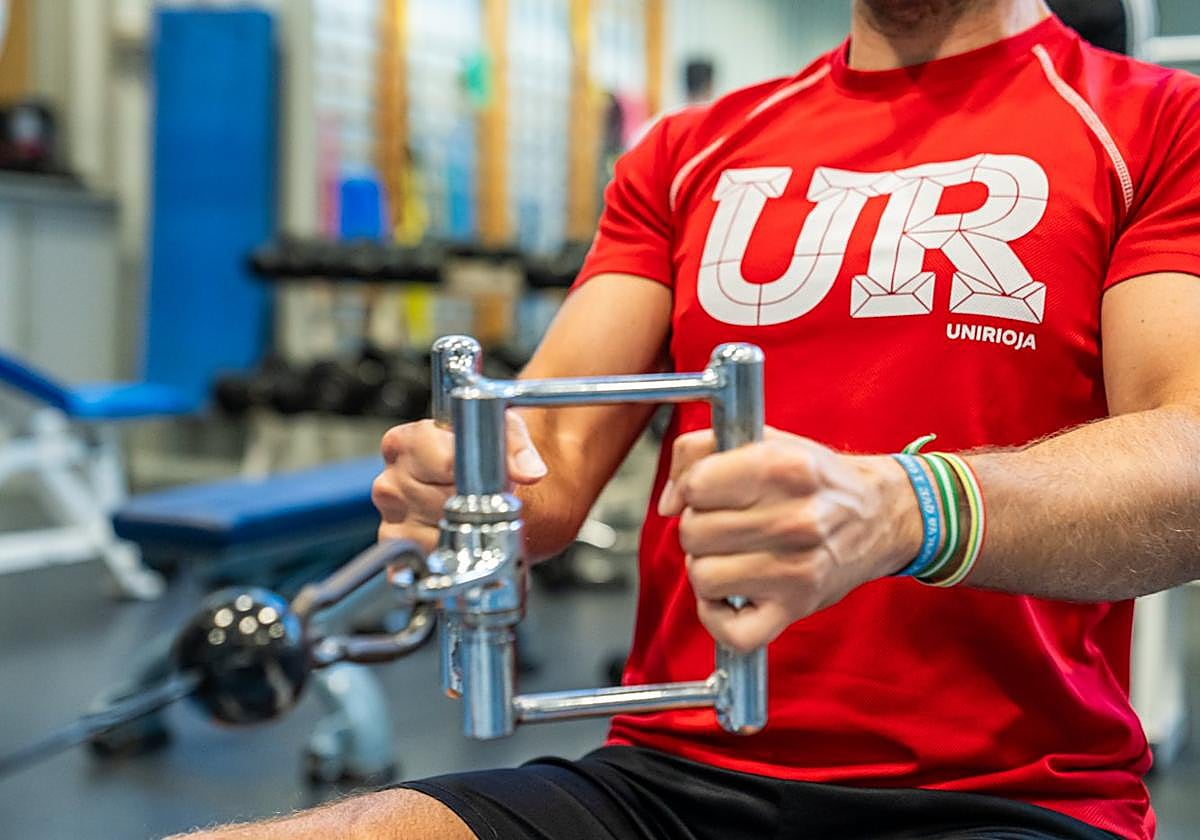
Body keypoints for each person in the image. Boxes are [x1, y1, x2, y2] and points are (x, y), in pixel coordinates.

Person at [181, 1, 1200, 838]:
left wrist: (903, 507)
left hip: (1010, 798)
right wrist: (470, 484)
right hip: (670, 783)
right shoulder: (690, 150)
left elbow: (1187, 455)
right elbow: (552, 464)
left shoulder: (1157, 123)